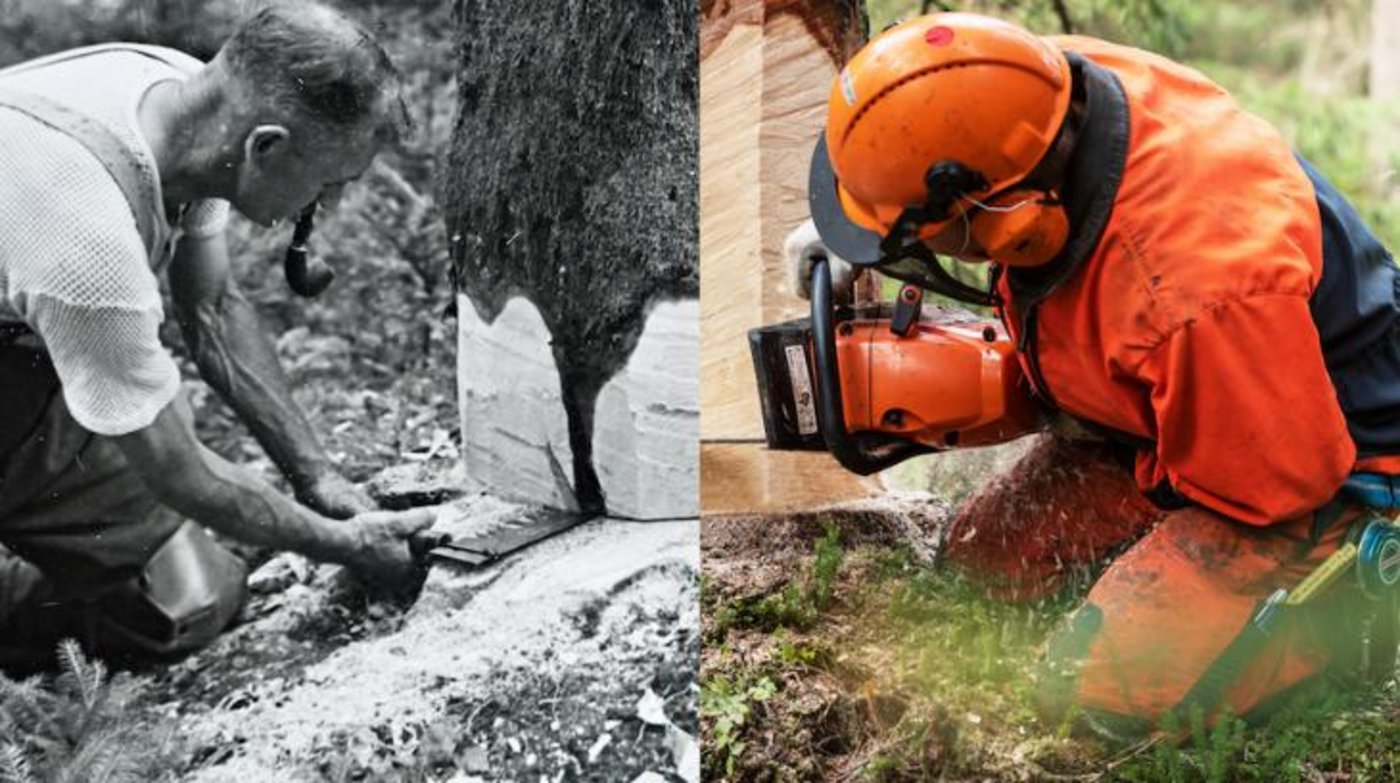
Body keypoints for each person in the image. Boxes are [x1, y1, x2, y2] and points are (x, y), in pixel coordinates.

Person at [795, 11, 1400, 735]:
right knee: (977, 570)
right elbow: (925, 109)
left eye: (942, 236)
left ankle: (1347, 605)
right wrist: (869, 231)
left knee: (1098, 698)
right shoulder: (1030, 89)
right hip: (1183, 402)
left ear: (1013, 220)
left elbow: (1279, 481)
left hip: (1303, 462)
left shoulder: (1187, 289)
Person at [0, 1, 435, 667]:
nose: (330, 206)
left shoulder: (190, 106)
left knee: (185, 599)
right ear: (267, 147)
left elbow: (211, 307)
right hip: (26, 337)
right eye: (332, 183)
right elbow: (180, 471)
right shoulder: (86, 243)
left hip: (19, 358)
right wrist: (344, 545)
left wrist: (315, 476)